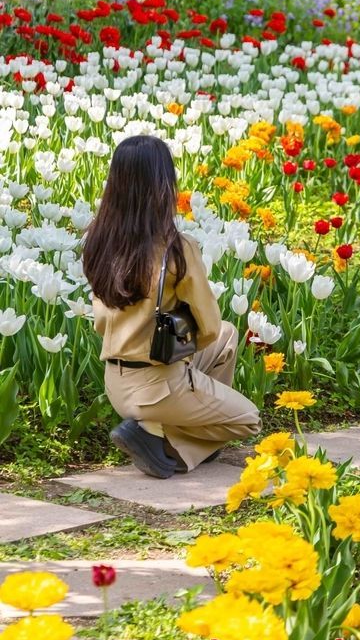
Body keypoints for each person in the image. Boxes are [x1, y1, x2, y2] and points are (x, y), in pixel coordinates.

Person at [82, 135, 261, 478]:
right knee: (247, 419)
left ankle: (159, 427)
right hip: (159, 385)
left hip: (116, 380)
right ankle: (167, 441)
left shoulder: (99, 243)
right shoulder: (176, 249)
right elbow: (206, 327)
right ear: (164, 185)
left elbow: (216, 335)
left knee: (228, 335)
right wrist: (183, 360)